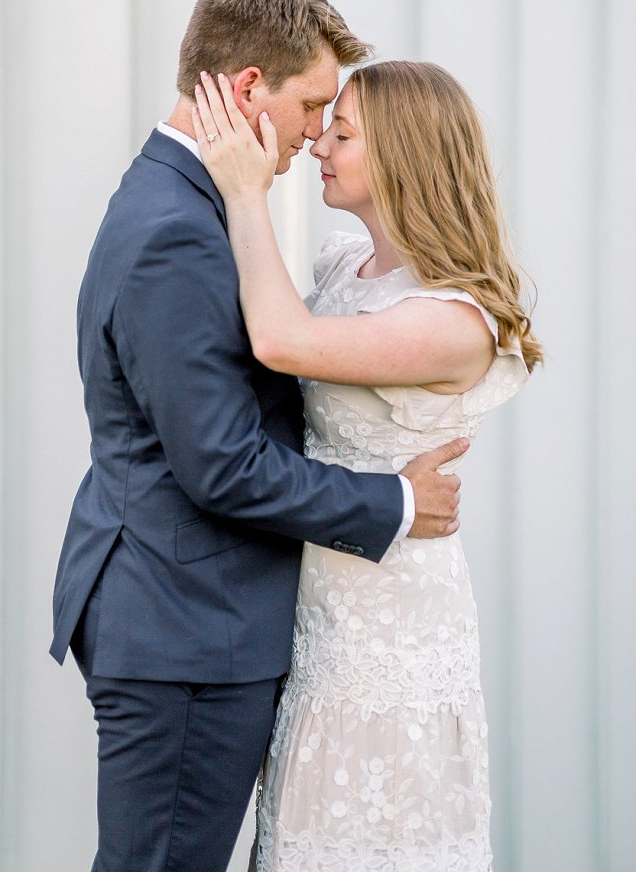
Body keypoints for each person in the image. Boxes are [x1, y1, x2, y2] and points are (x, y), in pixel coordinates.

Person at [48, 0, 468, 871]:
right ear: (249, 89)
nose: (317, 134)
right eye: (314, 105)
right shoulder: (177, 230)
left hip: (188, 614)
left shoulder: (185, 203)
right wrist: (392, 505)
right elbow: (222, 464)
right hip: (184, 627)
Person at [193, 62, 538, 870]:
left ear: (406, 158)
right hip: (318, 608)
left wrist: (245, 191)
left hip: (392, 627)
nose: (318, 143)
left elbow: (282, 343)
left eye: (342, 135)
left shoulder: (455, 321)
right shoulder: (344, 267)